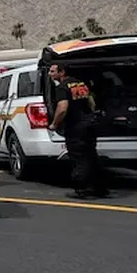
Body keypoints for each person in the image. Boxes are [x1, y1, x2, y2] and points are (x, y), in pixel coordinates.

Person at [48, 63, 109, 199]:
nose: (50, 74)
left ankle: (82, 189)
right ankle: (100, 188)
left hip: (76, 127)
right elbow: (91, 102)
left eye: (52, 71)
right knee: (91, 156)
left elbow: (63, 108)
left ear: (62, 72)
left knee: (78, 158)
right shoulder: (80, 84)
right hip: (89, 124)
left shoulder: (62, 87)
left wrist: (54, 123)